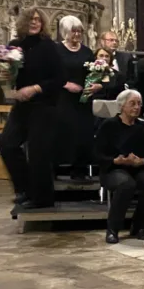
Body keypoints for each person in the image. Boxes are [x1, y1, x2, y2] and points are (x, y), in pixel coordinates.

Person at [0, 7, 64, 209]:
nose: (35, 22)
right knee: (7, 145)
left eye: (38, 20)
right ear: (23, 22)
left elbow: (60, 78)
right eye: (31, 19)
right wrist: (9, 78)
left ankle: (42, 199)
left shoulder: (49, 46)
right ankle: (25, 189)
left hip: (43, 106)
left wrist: (35, 88)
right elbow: (9, 71)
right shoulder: (15, 45)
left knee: (38, 154)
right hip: (22, 106)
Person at [94, 90, 144, 243]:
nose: (136, 107)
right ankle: (113, 229)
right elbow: (98, 154)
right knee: (126, 184)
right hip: (113, 169)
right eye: (132, 103)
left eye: (139, 104)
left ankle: (139, 226)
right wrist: (115, 160)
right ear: (122, 106)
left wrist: (142, 161)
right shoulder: (109, 125)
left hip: (138, 168)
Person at [54, 15, 95, 179]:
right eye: (74, 31)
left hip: (83, 100)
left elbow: (94, 73)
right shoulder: (56, 50)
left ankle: (79, 170)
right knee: (61, 132)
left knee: (82, 133)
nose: (77, 34)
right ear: (65, 32)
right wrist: (65, 84)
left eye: (79, 31)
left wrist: (96, 84)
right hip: (62, 98)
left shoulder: (87, 51)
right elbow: (49, 73)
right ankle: (56, 169)